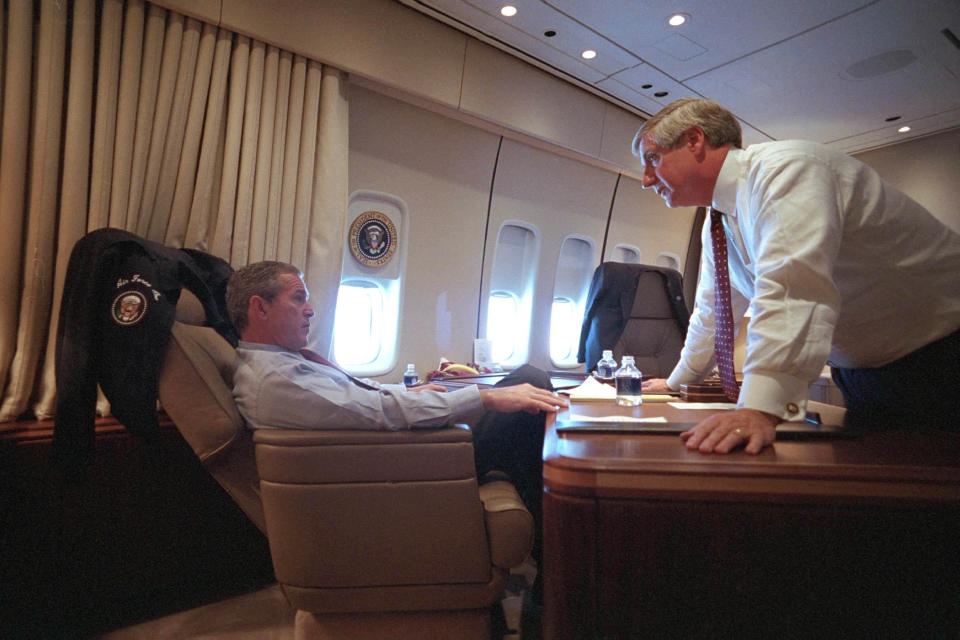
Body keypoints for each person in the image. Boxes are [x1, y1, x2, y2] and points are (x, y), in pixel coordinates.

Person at [633, 98, 960, 454]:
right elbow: (714, 313)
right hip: (864, 374)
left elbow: (792, 287)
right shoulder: (718, 221)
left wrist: (760, 408)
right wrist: (678, 381)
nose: (646, 180)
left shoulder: (786, 169)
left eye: (652, 158)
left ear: (694, 140)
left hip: (941, 357)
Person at [225, 260, 566, 601]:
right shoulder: (276, 379)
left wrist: (410, 391)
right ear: (259, 307)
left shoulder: (284, 363)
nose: (310, 310)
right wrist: (486, 397)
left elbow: (358, 396)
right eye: (298, 298)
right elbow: (379, 412)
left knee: (524, 396)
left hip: (393, 460)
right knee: (528, 387)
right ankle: (559, 571)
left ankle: (553, 567)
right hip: (396, 472)